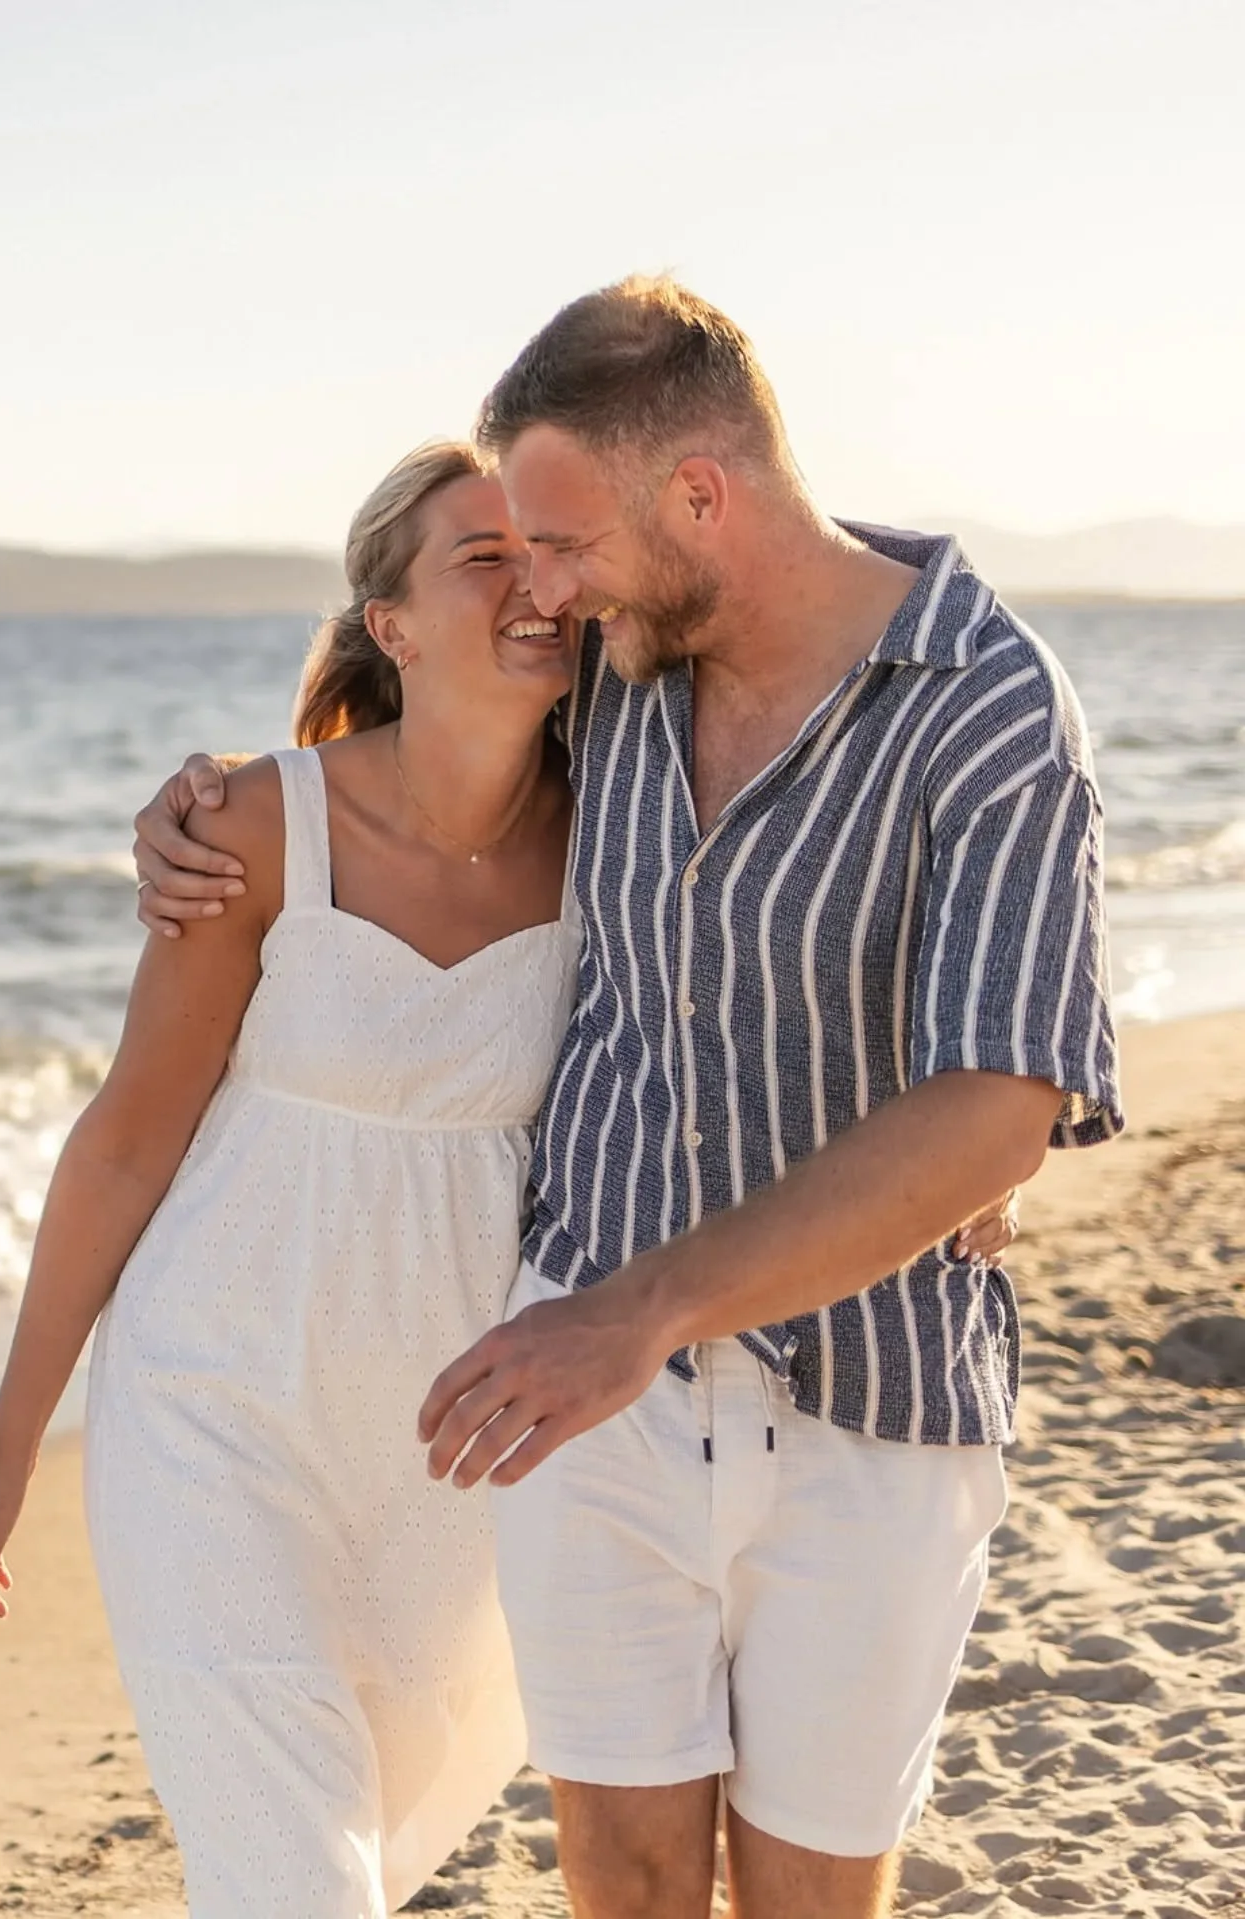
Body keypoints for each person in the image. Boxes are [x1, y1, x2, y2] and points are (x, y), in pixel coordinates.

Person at [137, 279, 1115, 1919]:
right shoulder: (624, 657)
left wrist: (640, 1311)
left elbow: (1000, 1102)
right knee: (631, 1883)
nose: (551, 592)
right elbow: (424, 747)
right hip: (596, 1416)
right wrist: (211, 811)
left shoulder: (996, 710)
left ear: (703, 496)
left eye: (570, 548)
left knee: (811, 1892)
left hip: (875, 1399)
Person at [0, 441, 583, 1919]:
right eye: (483, 557)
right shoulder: (250, 826)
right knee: (292, 1876)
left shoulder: (620, 829)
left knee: (344, 1844)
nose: (532, 583)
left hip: (449, 1453)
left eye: (545, 552)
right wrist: (11, 1442)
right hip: (214, 1406)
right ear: (392, 625)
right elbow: (124, 1141)